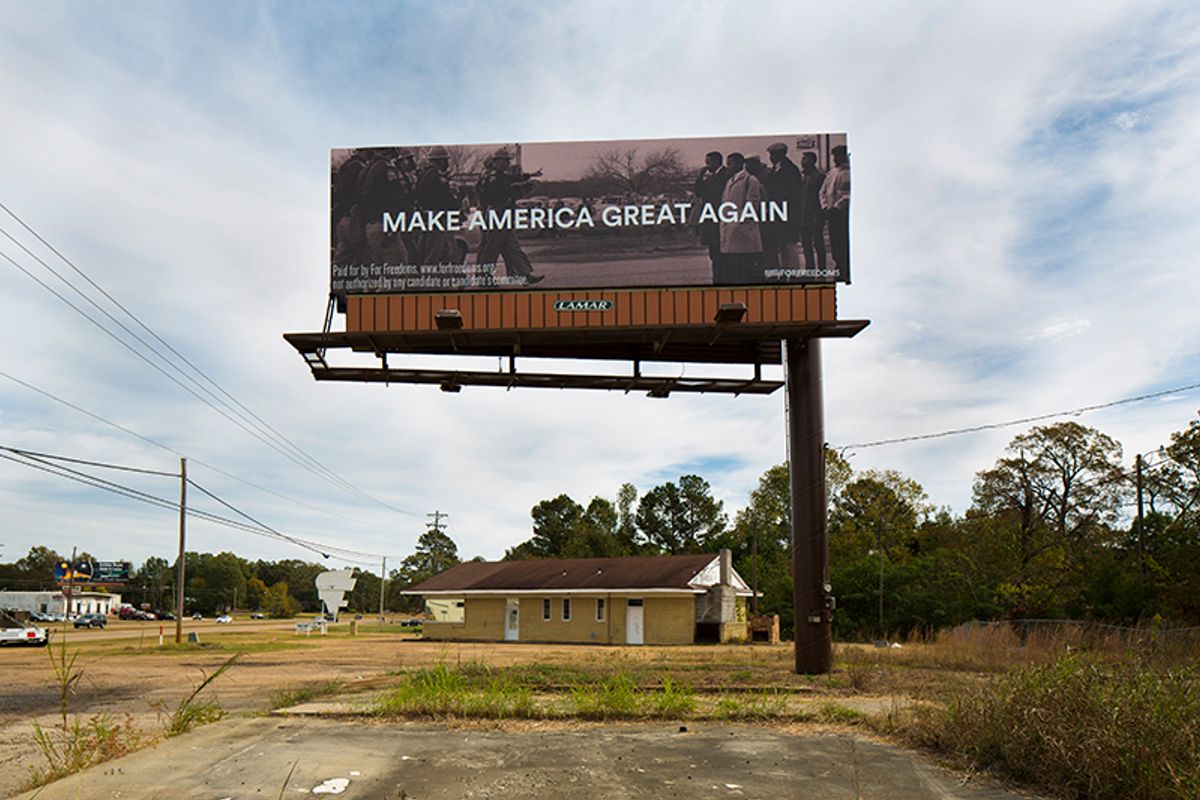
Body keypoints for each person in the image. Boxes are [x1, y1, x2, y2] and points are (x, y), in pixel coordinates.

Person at [475, 148, 544, 285]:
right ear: (497, 161)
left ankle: (524, 274)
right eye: (506, 160)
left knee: (512, 247)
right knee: (492, 248)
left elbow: (509, 180)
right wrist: (523, 188)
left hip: (497, 215)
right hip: (498, 215)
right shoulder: (495, 177)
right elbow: (503, 194)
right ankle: (484, 278)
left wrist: (529, 176)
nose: (508, 163)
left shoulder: (489, 175)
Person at [718, 152, 764, 284]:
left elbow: (752, 204)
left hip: (742, 230)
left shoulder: (750, 180)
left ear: (739, 164)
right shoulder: (729, 181)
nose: (728, 167)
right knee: (733, 267)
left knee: (745, 267)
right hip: (729, 228)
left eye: (730, 164)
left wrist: (739, 222)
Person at [414, 145, 459, 264]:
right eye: (445, 160)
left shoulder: (424, 175)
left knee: (445, 252)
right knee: (434, 253)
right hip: (437, 217)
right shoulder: (436, 176)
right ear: (440, 161)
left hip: (427, 216)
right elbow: (446, 199)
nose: (447, 163)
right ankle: (429, 279)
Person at [765, 142, 803, 267]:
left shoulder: (790, 170)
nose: (771, 157)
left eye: (773, 154)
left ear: (780, 154)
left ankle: (793, 271)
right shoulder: (776, 169)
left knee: (789, 245)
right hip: (779, 212)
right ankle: (786, 270)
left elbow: (792, 193)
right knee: (782, 245)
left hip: (788, 212)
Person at [692, 151, 730, 277]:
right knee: (714, 252)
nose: (707, 165)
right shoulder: (710, 177)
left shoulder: (726, 175)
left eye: (708, 162)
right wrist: (700, 177)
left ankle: (722, 277)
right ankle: (717, 277)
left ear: (716, 161)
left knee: (721, 252)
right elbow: (699, 192)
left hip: (720, 216)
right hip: (711, 217)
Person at [820, 144, 850, 279]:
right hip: (831, 213)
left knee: (843, 241)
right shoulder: (831, 173)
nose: (835, 158)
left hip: (841, 214)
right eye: (834, 156)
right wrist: (825, 206)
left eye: (838, 155)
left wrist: (837, 207)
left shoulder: (848, 173)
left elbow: (847, 194)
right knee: (835, 242)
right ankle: (838, 263)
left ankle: (844, 267)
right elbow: (823, 191)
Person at [798, 151, 827, 271]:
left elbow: (821, 197)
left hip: (815, 215)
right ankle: (809, 268)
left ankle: (822, 269)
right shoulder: (802, 176)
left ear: (812, 161)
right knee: (806, 245)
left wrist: (819, 215)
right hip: (803, 216)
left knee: (818, 244)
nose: (803, 161)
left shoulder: (819, 176)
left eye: (805, 159)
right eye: (802, 159)